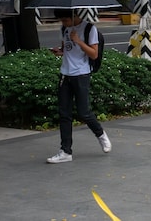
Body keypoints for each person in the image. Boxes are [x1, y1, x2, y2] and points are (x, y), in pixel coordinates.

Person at [47, 8, 111, 164]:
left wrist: (79, 41)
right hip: (65, 73)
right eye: (61, 21)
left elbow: (94, 54)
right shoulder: (64, 28)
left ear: (74, 16)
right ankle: (65, 151)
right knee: (64, 114)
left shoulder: (90, 29)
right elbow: (67, 49)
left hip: (81, 74)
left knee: (84, 112)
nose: (64, 23)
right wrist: (60, 52)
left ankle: (101, 134)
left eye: (66, 20)